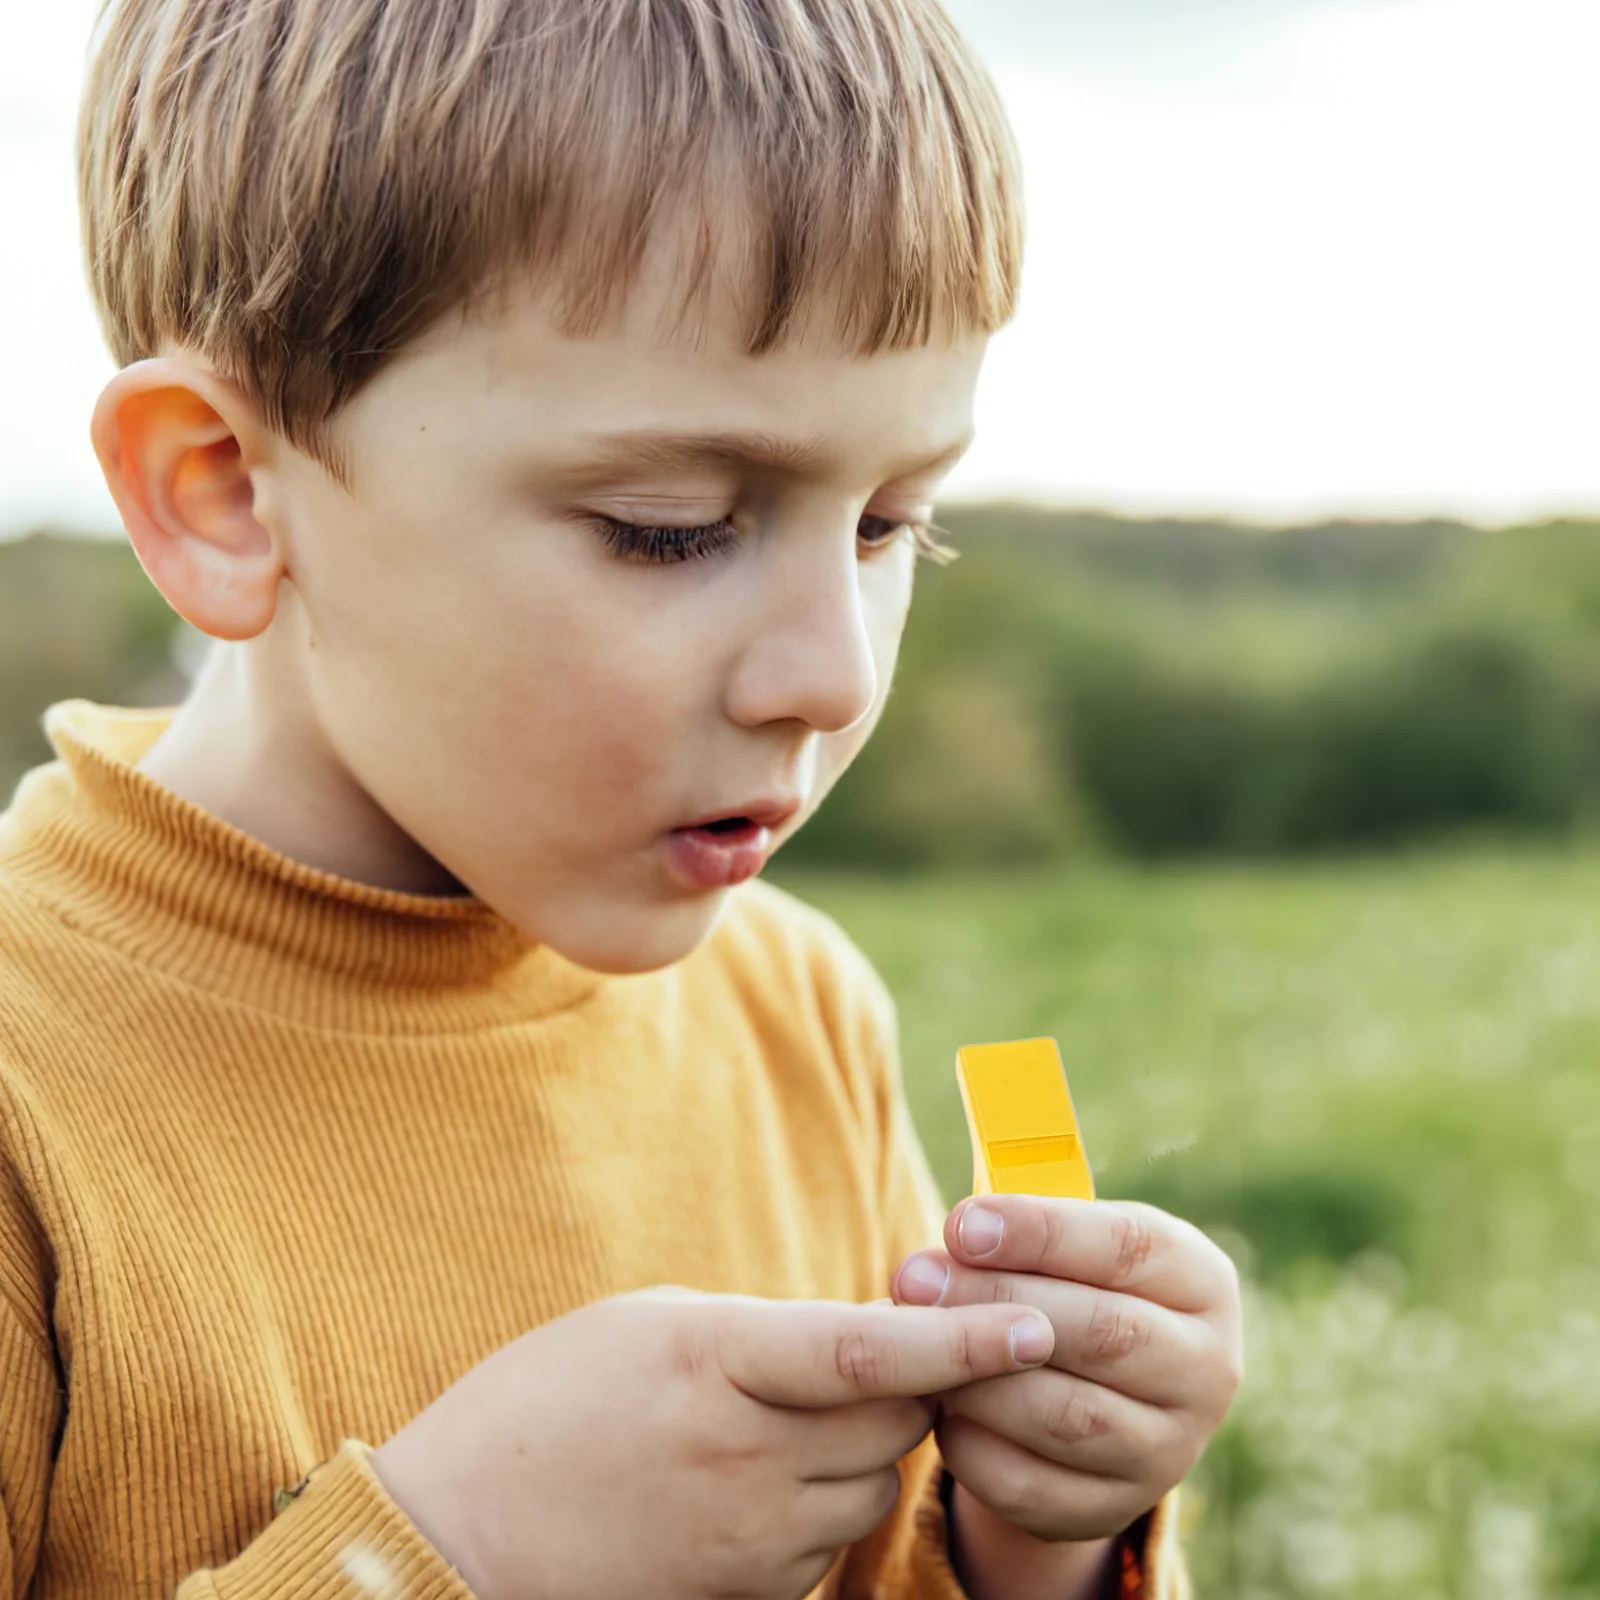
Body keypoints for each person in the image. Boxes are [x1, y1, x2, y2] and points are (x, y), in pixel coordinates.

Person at [0, 1, 1244, 1595]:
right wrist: (442, 1564)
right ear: (228, 494)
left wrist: (1030, 1539)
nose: (835, 674)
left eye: (890, 526)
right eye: (667, 526)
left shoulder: (798, 1014)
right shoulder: (34, 1102)